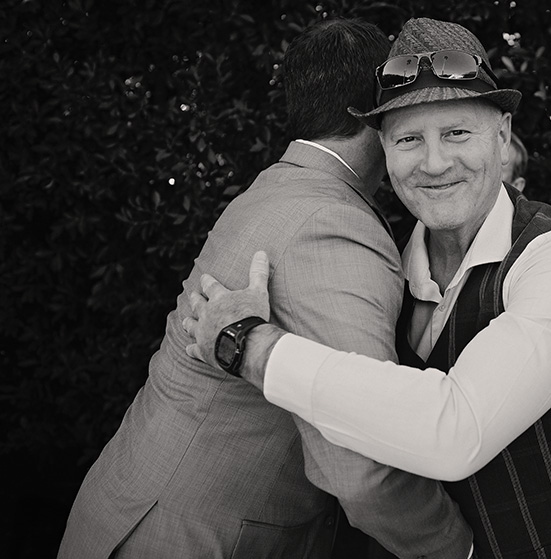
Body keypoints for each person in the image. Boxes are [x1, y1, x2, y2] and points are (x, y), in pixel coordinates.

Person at [185, 17, 551, 559]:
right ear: (383, 149)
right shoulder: (387, 274)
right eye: (409, 139)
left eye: (457, 133)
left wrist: (249, 344)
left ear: (503, 133)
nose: (435, 162)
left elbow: (455, 432)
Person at [58, 18, 473, 559]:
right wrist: (457, 547)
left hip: (133, 508)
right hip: (197, 539)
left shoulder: (278, 187)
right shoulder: (334, 222)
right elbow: (361, 463)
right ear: (370, 113)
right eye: (401, 102)